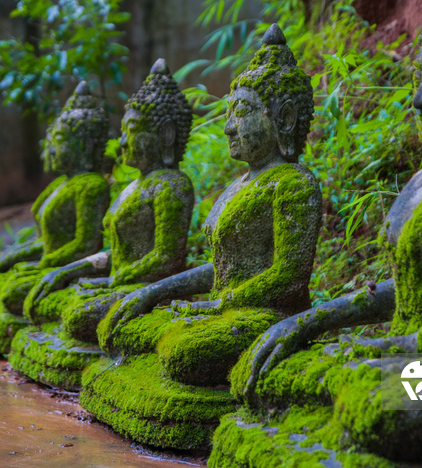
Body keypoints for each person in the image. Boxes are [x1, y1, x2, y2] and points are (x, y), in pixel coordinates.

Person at [210, 2, 422, 465]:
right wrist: (310, 321)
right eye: (419, 81)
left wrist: (406, 344)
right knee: (274, 371)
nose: (417, 98)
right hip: (409, 358)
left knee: (373, 401)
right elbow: (408, 289)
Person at [78, 24, 322, 450]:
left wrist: (220, 304)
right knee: (134, 326)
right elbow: (219, 267)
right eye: (229, 112)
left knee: (184, 351)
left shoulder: (294, 184)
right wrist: (151, 294)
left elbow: (289, 277)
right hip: (223, 311)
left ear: (282, 117)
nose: (228, 126)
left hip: (262, 314)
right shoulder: (238, 186)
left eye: (241, 112)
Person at [8, 59, 194, 389]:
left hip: (146, 290)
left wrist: (114, 280)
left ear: (165, 134)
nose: (121, 143)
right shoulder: (131, 187)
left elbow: (167, 258)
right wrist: (67, 271)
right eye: (122, 132)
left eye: (132, 131)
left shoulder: (171, 185)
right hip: (119, 284)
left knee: (77, 316)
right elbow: (111, 251)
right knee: (58, 301)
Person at [0, 82, 111, 355]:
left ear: (87, 144)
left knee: (12, 292)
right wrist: (9, 258)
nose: (52, 149)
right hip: (51, 264)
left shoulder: (92, 186)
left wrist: (44, 264)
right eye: (52, 141)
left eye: (60, 141)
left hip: (69, 269)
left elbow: (86, 245)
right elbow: (46, 242)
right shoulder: (59, 186)